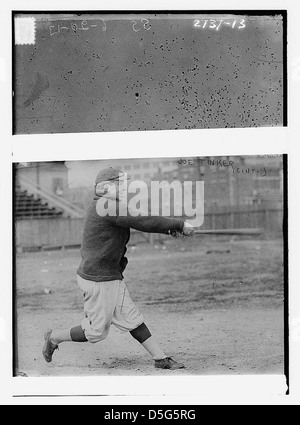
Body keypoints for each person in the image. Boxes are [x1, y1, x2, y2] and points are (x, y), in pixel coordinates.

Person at [43, 167, 194, 370]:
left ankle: (161, 359)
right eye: (120, 184)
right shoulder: (105, 205)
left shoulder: (110, 205)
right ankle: (53, 337)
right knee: (96, 333)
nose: (125, 188)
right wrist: (179, 224)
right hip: (98, 278)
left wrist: (170, 229)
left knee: (132, 318)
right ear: (107, 186)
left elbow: (137, 219)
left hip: (109, 276)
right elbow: (142, 220)